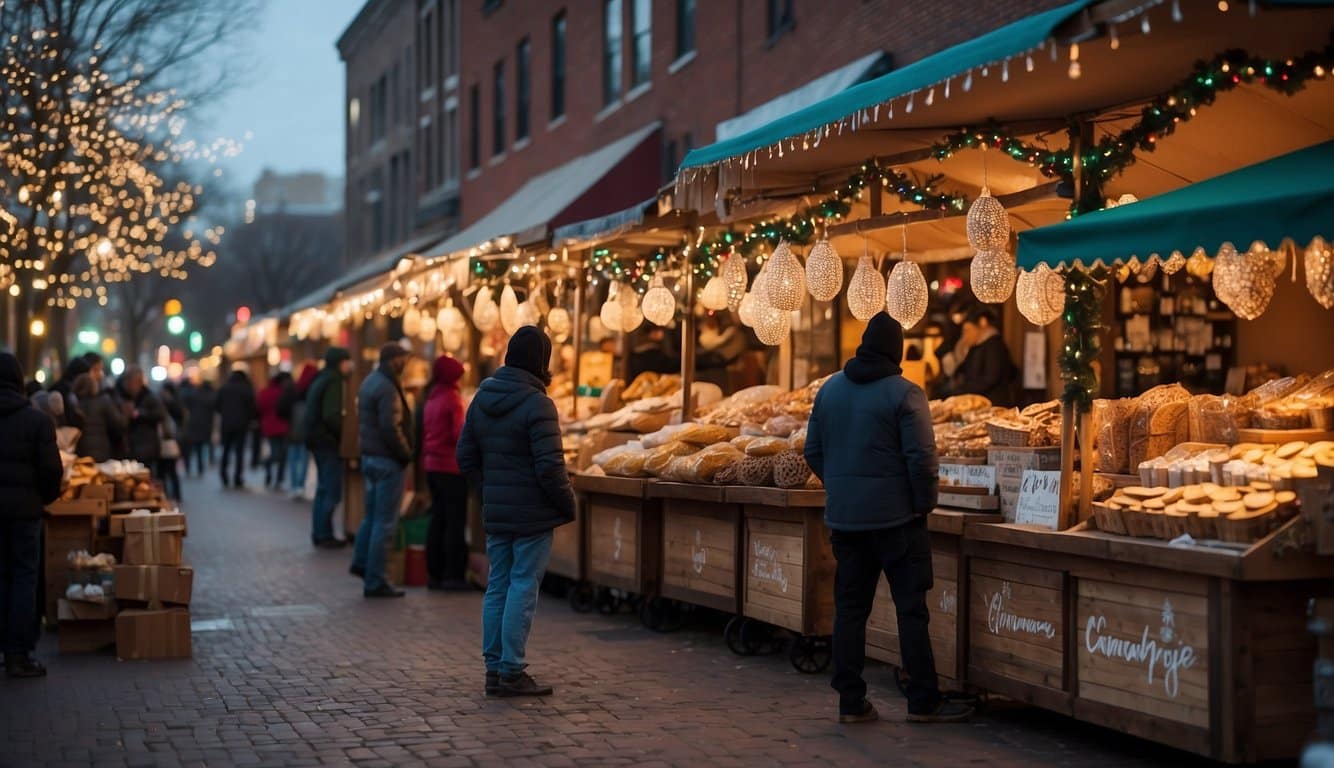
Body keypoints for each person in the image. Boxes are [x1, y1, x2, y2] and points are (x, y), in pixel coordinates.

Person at [804, 312, 972, 725]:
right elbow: (922, 460)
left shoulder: (829, 390)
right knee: (911, 610)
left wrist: (841, 486)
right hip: (899, 521)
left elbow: (812, 450)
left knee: (850, 610)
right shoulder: (905, 394)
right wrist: (923, 503)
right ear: (896, 351)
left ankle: (850, 700)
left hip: (845, 521)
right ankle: (923, 699)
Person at [457, 326, 576, 698]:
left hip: (497, 512)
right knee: (523, 586)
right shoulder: (538, 403)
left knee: (498, 585)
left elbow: (465, 456)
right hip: (532, 516)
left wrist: (487, 489)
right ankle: (511, 670)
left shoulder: (482, 397)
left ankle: (494, 669)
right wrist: (566, 503)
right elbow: (550, 467)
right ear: (542, 360)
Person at [0, 353, 63, 678]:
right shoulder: (37, 421)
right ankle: (18, 652)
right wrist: (43, 499)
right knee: (25, 578)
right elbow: (52, 470)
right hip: (25, 513)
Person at [351, 344, 414, 598]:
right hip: (387, 460)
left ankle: (362, 562)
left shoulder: (371, 381)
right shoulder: (388, 387)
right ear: (394, 360)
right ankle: (376, 579)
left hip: (371, 458)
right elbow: (390, 427)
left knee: (372, 517)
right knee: (385, 522)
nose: (406, 363)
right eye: (403, 358)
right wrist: (405, 453)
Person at [419, 354, 469, 591]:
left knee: (438, 519)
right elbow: (460, 434)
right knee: (455, 521)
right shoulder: (452, 398)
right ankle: (453, 574)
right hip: (450, 467)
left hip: (432, 465)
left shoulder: (432, 396)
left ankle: (434, 572)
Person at [304, 347, 351, 547]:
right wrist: (345, 434)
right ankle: (324, 534)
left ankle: (320, 532)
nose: (350, 365)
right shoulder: (334, 380)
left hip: (316, 440)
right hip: (328, 442)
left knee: (323, 489)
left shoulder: (321, 378)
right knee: (331, 490)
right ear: (340, 362)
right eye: (347, 361)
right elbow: (331, 415)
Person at [950, 306, 1018, 407]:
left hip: (993, 404)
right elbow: (965, 368)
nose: (965, 336)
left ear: (982, 323)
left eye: (968, 330)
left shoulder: (994, 345)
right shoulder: (977, 345)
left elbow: (990, 378)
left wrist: (963, 391)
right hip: (978, 402)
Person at [116, 367, 165, 470]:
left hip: (146, 446)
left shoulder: (149, 396)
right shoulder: (121, 395)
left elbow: (160, 414)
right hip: (129, 447)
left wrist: (139, 414)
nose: (129, 386)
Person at [215, 367, 257, 489]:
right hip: (241, 425)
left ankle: (223, 475)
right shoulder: (246, 389)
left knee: (226, 450)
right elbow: (252, 408)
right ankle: (237, 477)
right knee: (239, 452)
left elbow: (217, 405)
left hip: (227, 424)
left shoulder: (224, 388)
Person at [73, 372, 126, 462]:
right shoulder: (103, 402)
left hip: (80, 451)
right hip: (101, 450)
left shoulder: (74, 405)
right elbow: (119, 423)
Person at [286, 363, 318, 500]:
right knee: (304, 457)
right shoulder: (314, 388)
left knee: (293, 458)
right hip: (306, 428)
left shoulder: (295, 388)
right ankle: (300, 485)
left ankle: (295, 486)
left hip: (293, 428)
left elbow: (283, 407)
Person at [257, 372, 293, 490]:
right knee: (281, 454)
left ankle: (270, 468)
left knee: (276, 452)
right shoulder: (283, 393)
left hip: (269, 426)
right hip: (282, 426)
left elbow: (259, 408)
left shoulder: (264, 392)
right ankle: (279, 478)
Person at [178, 373, 215, 477]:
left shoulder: (193, 395)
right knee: (200, 448)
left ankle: (189, 467)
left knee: (190, 448)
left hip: (192, 424)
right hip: (204, 425)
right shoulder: (209, 397)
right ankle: (200, 468)